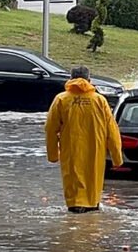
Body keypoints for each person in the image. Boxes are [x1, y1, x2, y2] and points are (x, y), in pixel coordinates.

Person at [44, 65, 123, 213]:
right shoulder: (100, 100)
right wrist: (117, 158)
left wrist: (53, 155)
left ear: (70, 79)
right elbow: (112, 131)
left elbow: (50, 129)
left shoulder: (61, 100)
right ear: (90, 80)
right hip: (95, 153)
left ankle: (75, 216)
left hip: (71, 153)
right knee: (92, 191)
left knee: (73, 191)